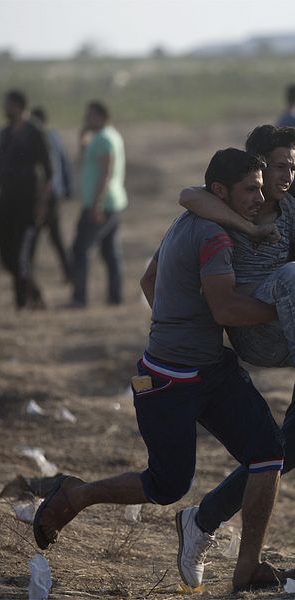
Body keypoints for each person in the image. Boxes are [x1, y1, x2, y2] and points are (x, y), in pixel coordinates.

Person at [33, 148, 285, 592]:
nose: (258, 198)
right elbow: (226, 308)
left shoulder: (195, 222)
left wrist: (179, 322)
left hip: (213, 370)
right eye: (251, 190)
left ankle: (247, 571)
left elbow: (148, 280)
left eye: (262, 190)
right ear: (220, 191)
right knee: (168, 485)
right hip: (168, 379)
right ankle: (77, 494)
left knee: (268, 454)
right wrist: (283, 309)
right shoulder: (213, 235)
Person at [174, 125, 295, 589]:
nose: (287, 175)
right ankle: (204, 522)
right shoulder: (230, 203)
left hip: (284, 321)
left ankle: (202, 520)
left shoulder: (287, 207)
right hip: (260, 331)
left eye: (292, 166)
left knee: (283, 451)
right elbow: (189, 195)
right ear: (259, 164)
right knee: (289, 274)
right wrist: (247, 228)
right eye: (280, 165)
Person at [67, 101, 127, 307]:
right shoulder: (109, 135)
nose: (86, 119)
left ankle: (79, 298)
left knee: (80, 249)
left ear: (102, 116)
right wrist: (82, 140)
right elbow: (87, 160)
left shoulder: (103, 139)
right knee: (110, 251)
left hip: (100, 204)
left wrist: (96, 204)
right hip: (112, 202)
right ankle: (115, 296)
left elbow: (105, 172)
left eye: (90, 115)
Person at [0, 90, 52, 309]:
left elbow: (48, 172)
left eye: (8, 105)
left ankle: (22, 303)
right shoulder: (5, 133)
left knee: (23, 259)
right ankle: (34, 292)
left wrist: (41, 205)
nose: (4, 109)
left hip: (28, 205)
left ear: (19, 107)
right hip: (6, 203)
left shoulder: (34, 132)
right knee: (6, 256)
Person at [30, 106, 72, 282]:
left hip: (45, 196)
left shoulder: (38, 139)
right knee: (55, 239)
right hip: (54, 194)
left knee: (33, 239)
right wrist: (67, 188)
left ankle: (27, 278)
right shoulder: (54, 137)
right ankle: (68, 273)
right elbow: (65, 163)